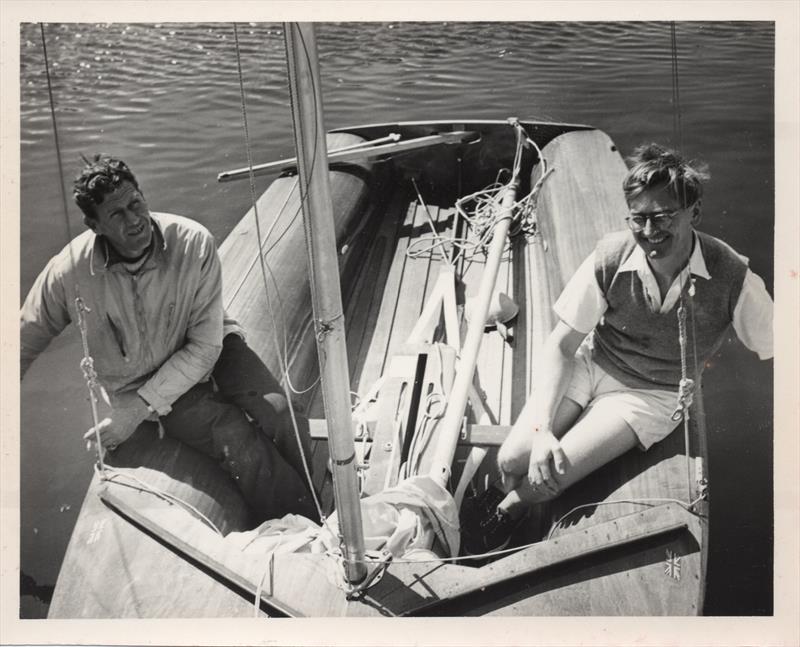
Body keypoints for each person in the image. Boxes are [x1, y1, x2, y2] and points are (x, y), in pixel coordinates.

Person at [462, 143, 774, 554]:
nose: (650, 232)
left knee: (544, 480)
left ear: (693, 212)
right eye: (639, 218)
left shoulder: (732, 276)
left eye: (663, 217)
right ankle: (508, 483)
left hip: (649, 397)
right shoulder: (611, 255)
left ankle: (510, 508)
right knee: (511, 461)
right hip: (595, 363)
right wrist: (541, 432)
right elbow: (562, 343)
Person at [20, 155, 317, 524]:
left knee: (281, 414)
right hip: (140, 381)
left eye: (136, 204)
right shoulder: (69, 272)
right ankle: (304, 525)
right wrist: (137, 409)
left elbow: (206, 347)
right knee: (234, 435)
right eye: (116, 215)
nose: (134, 221)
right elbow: (23, 340)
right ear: (94, 225)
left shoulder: (193, 241)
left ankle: (316, 501)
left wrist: (133, 416)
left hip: (207, 345)